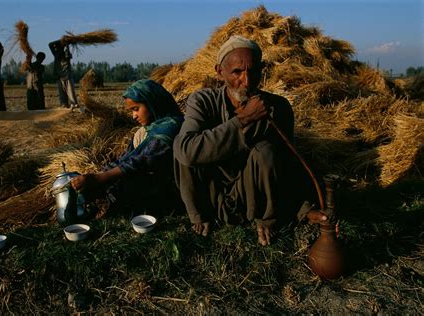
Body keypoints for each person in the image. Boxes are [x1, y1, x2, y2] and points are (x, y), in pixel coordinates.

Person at [173, 35, 313, 246]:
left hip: (252, 200)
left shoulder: (278, 107)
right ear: (220, 72)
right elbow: (186, 151)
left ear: (262, 70)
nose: (247, 81)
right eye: (237, 72)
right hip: (211, 197)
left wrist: (305, 209)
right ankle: (200, 216)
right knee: (183, 146)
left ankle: (266, 217)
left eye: (254, 71)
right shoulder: (202, 101)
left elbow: (288, 163)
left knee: (266, 150)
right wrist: (244, 119)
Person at [70, 79, 184, 216]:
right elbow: (127, 158)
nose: (134, 116)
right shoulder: (150, 129)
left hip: (170, 187)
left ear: (152, 102)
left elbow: (141, 162)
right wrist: (100, 173)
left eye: (136, 109)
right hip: (149, 176)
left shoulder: (170, 129)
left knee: (124, 186)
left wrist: (100, 178)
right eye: (131, 111)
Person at [48, 40, 78, 110]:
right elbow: (50, 44)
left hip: (67, 76)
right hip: (60, 77)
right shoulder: (56, 55)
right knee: (62, 93)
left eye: (59, 49)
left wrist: (66, 44)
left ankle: (74, 105)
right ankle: (64, 105)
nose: (58, 50)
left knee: (71, 92)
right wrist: (61, 41)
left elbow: (67, 51)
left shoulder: (66, 55)